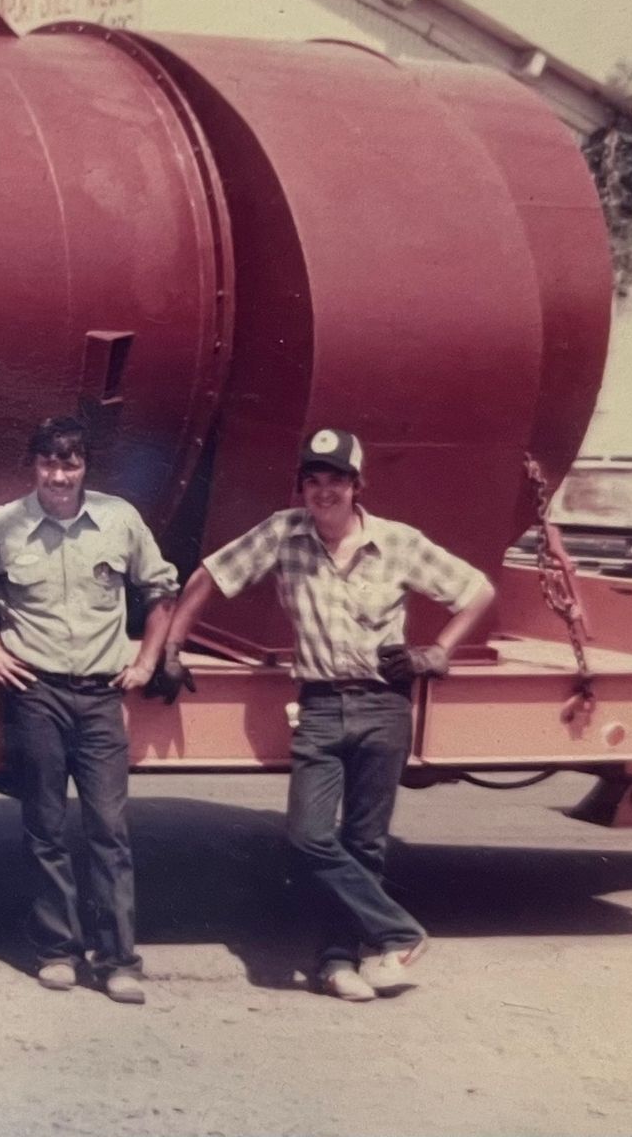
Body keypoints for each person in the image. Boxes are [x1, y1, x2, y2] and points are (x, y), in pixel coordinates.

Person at [159, 428, 495, 1001]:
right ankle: (398, 931)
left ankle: (343, 959)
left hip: (385, 706)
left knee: (366, 843)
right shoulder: (284, 534)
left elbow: (477, 590)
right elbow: (209, 576)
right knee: (308, 836)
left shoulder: (398, 542)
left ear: (357, 485)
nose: (323, 492)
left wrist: (439, 651)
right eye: (312, 481)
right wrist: (171, 645)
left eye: (335, 479)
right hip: (318, 706)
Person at [0, 415, 178, 1003]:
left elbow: (161, 592)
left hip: (102, 696)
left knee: (109, 828)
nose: (59, 476)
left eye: (71, 464)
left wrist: (145, 662)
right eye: (48, 463)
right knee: (45, 826)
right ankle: (56, 951)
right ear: (33, 465)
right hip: (37, 694)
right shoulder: (2, 526)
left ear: (86, 467)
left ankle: (118, 961)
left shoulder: (120, 520)